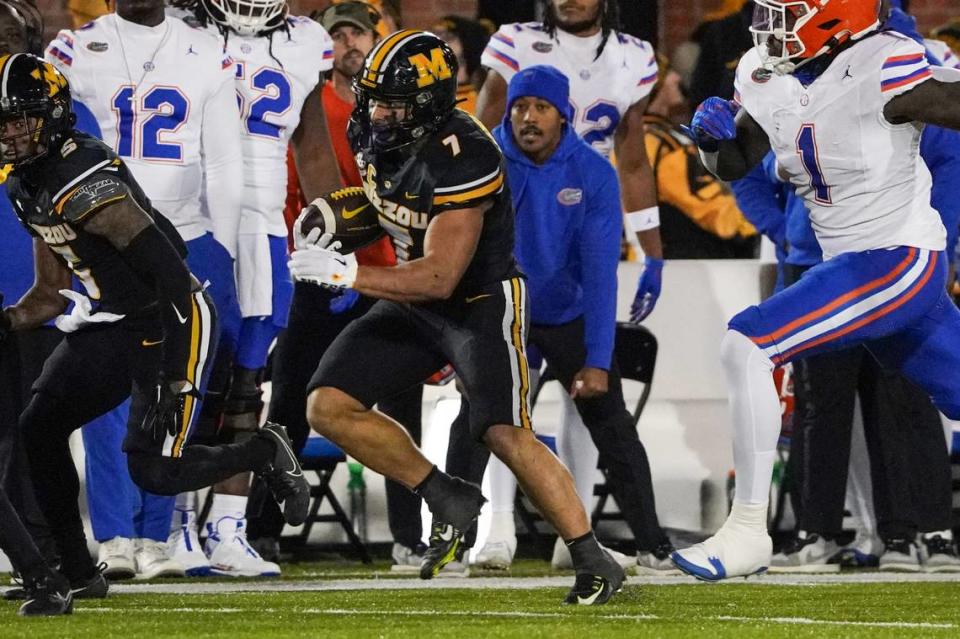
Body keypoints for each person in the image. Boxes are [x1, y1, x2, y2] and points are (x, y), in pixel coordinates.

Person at [289, 31, 624, 605]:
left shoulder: (466, 153)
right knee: (327, 405)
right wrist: (337, 219)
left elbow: (441, 275)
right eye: (374, 98)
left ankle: (593, 556)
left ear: (429, 105)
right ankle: (443, 492)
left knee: (503, 430)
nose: (378, 112)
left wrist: (347, 274)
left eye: (393, 102)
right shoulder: (376, 132)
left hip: (477, 300)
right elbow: (390, 205)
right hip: (416, 296)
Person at [0, 52, 309, 595]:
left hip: (173, 317)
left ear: (50, 114)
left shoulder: (80, 171)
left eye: (18, 119)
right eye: (1, 122)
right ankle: (75, 574)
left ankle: (263, 449)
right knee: (38, 430)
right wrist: (6, 321)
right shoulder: (25, 182)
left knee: (154, 471)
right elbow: (48, 297)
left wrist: (166, 370)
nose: (9, 134)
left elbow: (169, 270)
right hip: (115, 319)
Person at [672, 0, 960, 581]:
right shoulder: (763, 70)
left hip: (894, 260)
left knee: (747, 344)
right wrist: (709, 140)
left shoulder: (884, 60)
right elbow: (735, 162)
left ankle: (748, 531)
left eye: (789, 11)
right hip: (857, 265)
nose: (769, 24)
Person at [455, 0, 670, 572]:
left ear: (563, 116)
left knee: (611, 419)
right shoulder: (487, 162)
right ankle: (462, 534)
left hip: (566, 308)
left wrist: (597, 358)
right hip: (503, 310)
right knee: (477, 419)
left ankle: (651, 542)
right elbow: (460, 253)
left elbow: (600, 273)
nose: (527, 117)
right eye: (520, 106)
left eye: (541, 108)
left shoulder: (591, 170)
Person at [45, 0, 246, 579]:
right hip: (105, 239)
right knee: (102, 396)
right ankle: (112, 533)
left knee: (176, 388)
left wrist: (225, 249)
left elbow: (224, 159)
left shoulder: (208, 48)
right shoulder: (75, 48)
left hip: (185, 234)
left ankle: (157, 535)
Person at [245, 0, 429, 572]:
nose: (349, 43)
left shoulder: (404, 114)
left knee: (403, 409)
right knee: (291, 403)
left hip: (392, 277)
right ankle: (260, 530)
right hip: (324, 276)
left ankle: (409, 534)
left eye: (358, 32)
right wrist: (321, 262)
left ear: (377, 38)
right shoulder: (310, 104)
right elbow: (301, 198)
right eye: (339, 34)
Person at [167, 0, 341, 577]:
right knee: (189, 377)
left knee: (247, 382)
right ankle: (176, 520)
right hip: (196, 219)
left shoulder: (305, 41)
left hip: (264, 227)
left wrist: (333, 237)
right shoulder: (180, 30)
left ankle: (229, 524)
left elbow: (313, 149)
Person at [644, 55, 756, 259]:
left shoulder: (629, 139)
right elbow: (719, 216)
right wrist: (765, 223)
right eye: (666, 72)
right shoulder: (660, 147)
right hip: (683, 269)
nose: (676, 78)